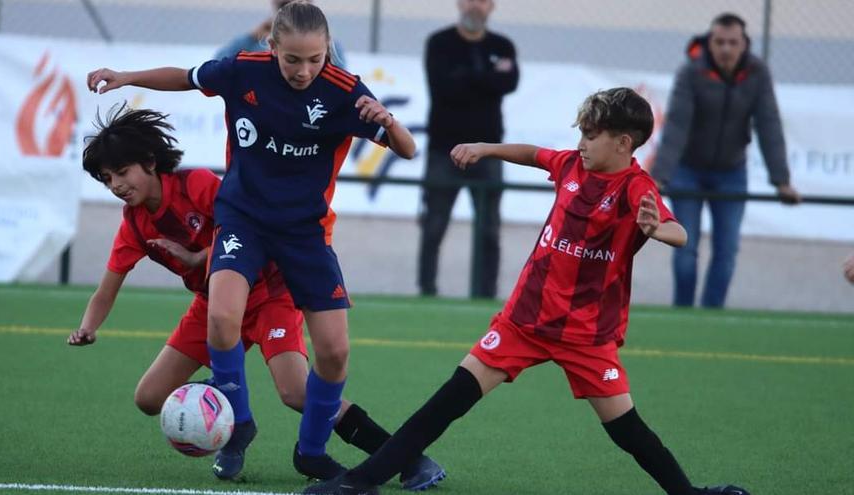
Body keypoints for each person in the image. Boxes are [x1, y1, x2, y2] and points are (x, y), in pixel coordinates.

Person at [304, 88, 749, 495]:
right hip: (523, 322)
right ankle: (357, 484)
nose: (581, 143)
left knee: (628, 431)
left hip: (587, 336)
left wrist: (658, 229)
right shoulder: (573, 165)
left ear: (624, 143)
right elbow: (534, 154)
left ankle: (690, 494)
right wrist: (485, 149)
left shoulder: (636, 188)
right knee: (444, 404)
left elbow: (679, 233)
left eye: (592, 135)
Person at [86, 0, 420, 486]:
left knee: (331, 356)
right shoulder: (243, 71)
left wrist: (387, 122)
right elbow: (184, 75)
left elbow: (408, 151)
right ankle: (237, 422)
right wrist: (126, 76)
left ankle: (320, 451)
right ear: (271, 48)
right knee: (219, 317)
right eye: (292, 59)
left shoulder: (345, 92)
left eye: (315, 59)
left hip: (301, 237)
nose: (304, 70)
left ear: (329, 50)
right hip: (244, 222)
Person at [651, 12, 801, 309]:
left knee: (727, 250)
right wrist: (658, 179)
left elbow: (768, 124)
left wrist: (782, 181)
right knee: (685, 246)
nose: (726, 49)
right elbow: (677, 126)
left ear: (745, 44)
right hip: (686, 171)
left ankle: (712, 315)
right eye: (719, 42)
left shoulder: (758, 73)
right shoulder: (690, 72)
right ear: (710, 42)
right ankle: (682, 313)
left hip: (732, 172)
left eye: (733, 43)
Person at [417, 0, 518, 298]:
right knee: (434, 225)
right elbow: (444, 88)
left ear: (492, 7)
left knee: (489, 229)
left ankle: (486, 293)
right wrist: (488, 76)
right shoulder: (439, 43)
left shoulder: (503, 44)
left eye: (483, 1)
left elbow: (509, 83)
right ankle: (427, 290)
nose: (476, 6)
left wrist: (466, 75)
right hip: (443, 150)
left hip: (488, 152)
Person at [215, 0, 347, 70]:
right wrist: (251, 37)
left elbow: (341, 84)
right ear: (273, 46)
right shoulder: (257, 40)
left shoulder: (327, 44)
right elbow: (217, 64)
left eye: (314, 59)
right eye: (283, 6)